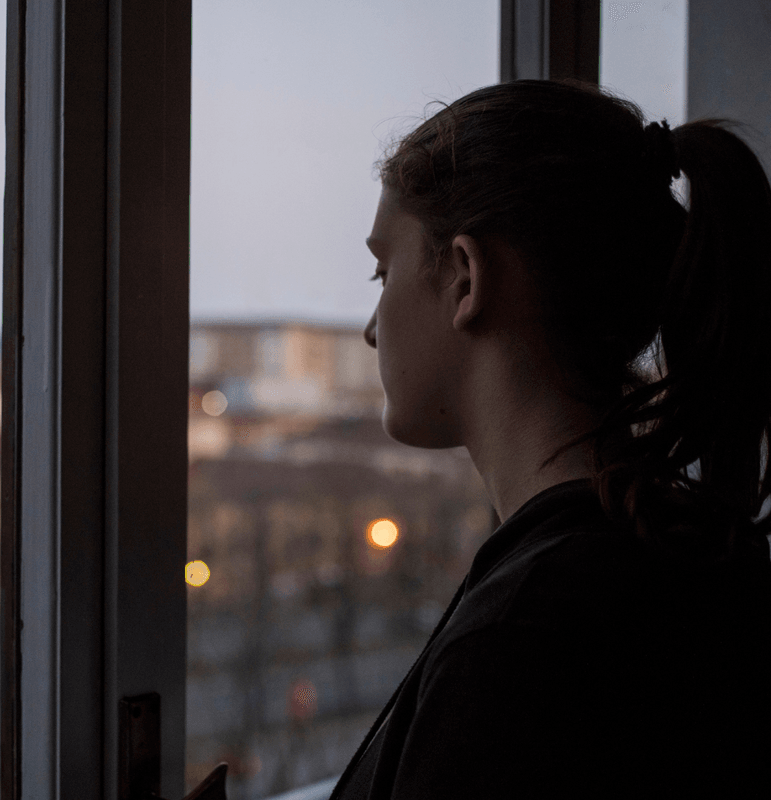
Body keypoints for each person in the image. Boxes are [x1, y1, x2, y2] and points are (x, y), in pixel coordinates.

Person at [329, 79, 771, 799]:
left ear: (466, 279)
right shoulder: (690, 553)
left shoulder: (519, 644)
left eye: (385, 270)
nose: (372, 327)